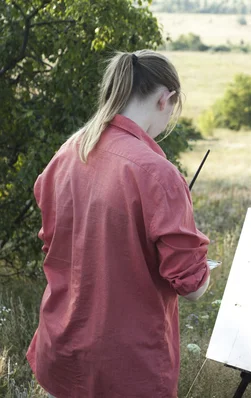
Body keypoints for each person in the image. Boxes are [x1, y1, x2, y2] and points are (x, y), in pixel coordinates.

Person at [26, 50, 211, 398]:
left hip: (62, 352)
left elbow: (57, 246)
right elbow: (193, 286)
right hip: (125, 368)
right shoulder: (157, 173)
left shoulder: (67, 153)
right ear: (166, 99)